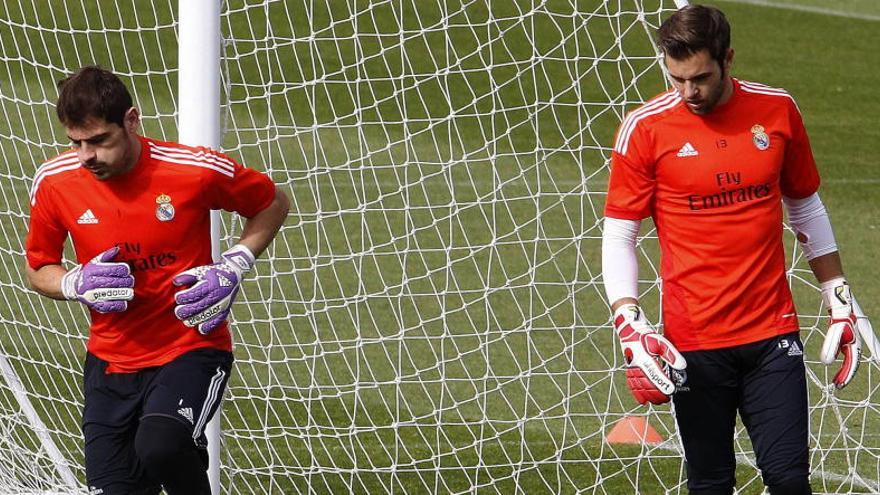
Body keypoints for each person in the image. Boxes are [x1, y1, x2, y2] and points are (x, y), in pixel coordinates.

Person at [601, 5, 870, 495]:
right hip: (693, 344)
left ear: (728, 59)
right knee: (711, 484)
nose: (689, 92)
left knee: (790, 482)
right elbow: (620, 233)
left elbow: (805, 206)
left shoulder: (777, 110)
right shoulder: (644, 128)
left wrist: (837, 294)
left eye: (701, 77)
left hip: (772, 336)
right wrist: (628, 319)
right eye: (677, 78)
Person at [25, 66, 289, 494]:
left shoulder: (193, 170)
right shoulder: (55, 183)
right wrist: (74, 283)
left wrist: (234, 263)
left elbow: (272, 201)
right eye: (75, 143)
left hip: (190, 348)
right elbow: (39, 268)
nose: (86, 156)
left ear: (131, 120)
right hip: (109, 363)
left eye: (98, 141)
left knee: (162, 446)